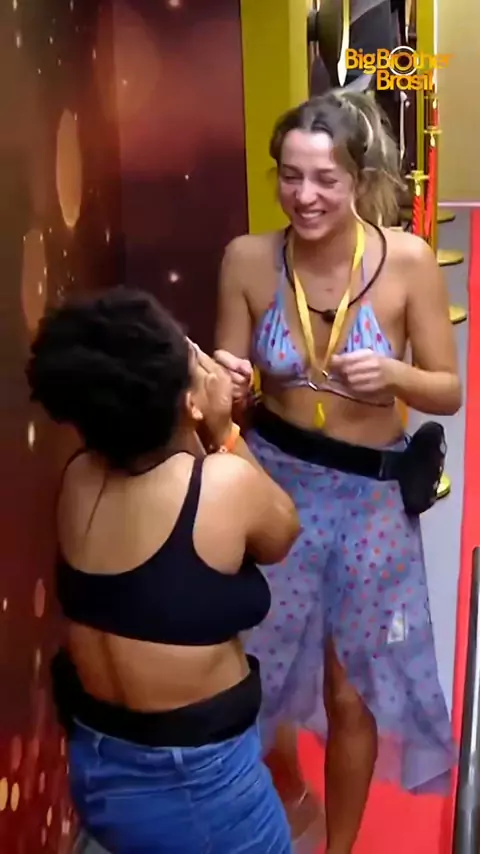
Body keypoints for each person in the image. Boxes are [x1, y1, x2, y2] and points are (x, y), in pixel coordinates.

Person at [214, 90, 460, 854]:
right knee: (256, 665)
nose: (306, 195)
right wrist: (232, 382)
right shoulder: (248, 258)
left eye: (325, 178)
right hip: (273, 485)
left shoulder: (406, 261)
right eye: (291, 177)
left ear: (358, 178)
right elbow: (229, 388)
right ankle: (289, 790)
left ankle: (340, 848)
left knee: (349, 690)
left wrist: (395, 374)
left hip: (370, 501)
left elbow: (447, 391)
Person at [26, 288, 302, 854]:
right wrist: (224, 431)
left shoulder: (79, 478)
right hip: (201, 794)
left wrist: (198, 409)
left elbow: (160, 476)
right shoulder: (219, 487)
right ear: (188, 403)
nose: (203, 356)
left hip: (99, 767)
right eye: (195, 356)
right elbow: (281, 531)